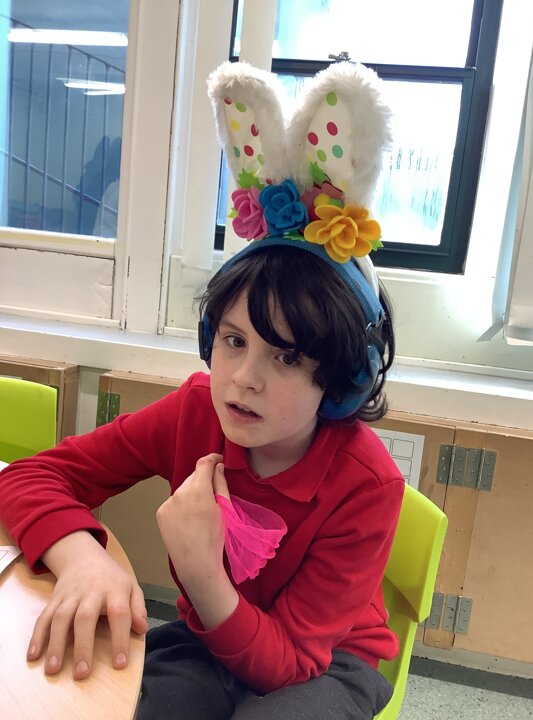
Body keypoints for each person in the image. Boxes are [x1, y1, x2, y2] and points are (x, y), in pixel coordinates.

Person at [0, 60, 404, 720]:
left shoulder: (368, 483)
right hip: (210, 641)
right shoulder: (195, 408)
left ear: (340, 376)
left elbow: (290, 662)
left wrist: (203, 572)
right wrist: (82, 559)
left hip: (327, 659)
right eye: (234, 340)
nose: (244, 377)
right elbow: (31, 476)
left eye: (286, 356)